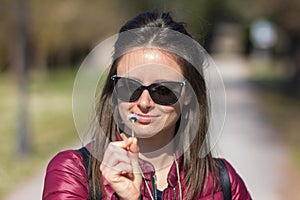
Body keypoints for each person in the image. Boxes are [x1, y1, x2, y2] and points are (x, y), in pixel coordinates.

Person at [42, 11, 251, 200]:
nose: (143, 103)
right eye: (129, 86)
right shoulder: (73, 173)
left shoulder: (223, 183)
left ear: (188, 95)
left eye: (163, 90)